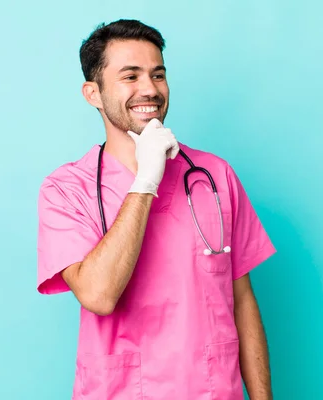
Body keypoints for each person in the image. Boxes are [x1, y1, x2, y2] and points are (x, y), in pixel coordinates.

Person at [37, 19, 277, 400]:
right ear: (93, 93)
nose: (149, 89)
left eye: (158, 74)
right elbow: (98, 295)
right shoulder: (66, 190)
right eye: (130, 77)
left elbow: (242, 300)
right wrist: (146, 180)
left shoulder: (213, 176)